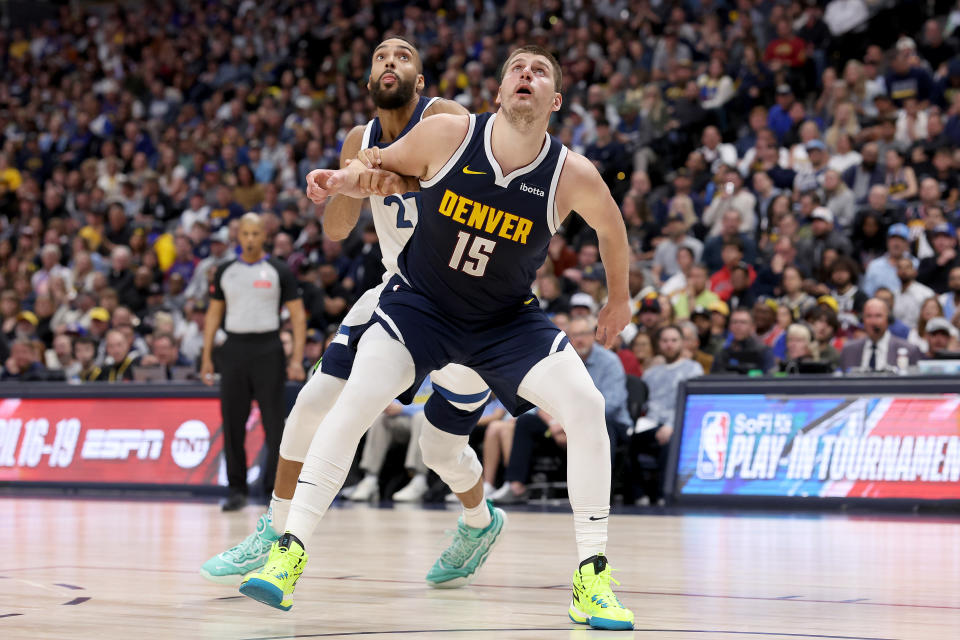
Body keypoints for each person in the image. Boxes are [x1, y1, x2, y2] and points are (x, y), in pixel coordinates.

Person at [243, 45, 635, 630]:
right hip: (421, 303)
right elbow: (380, 164)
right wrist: (339, 178)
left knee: (586, 405)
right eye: (515, 70)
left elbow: (612, 229)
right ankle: (288, 552)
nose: (525, 76)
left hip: (503, 320)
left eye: (540, 72)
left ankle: (592, 576)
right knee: (353, 402)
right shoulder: (451, 133)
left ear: (553, 101)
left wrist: (620, 298)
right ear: (499, 93)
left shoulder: (569, 173)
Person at [201, 39, 497, 586]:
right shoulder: (359, 139)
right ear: (368, 82)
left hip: (466, 300)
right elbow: (337, 229)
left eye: (404, 56)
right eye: (382, 57)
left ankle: (479, 522)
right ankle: (276, 530)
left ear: (421, 81)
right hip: (399, 292)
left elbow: (476, 193)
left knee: (441, 449)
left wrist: (394, 177)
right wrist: (348, 182)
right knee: (311, 404)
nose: (391, 62)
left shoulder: (450, 119)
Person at [200, 212, 307, 512]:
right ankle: (236, 489)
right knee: (232, 422)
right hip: (233, 348)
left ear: (264, 236)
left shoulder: (278, 270)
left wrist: (296, 358)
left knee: (274, 424)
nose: (249, 239)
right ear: (238, 236)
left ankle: (273, 489)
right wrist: (207, 356)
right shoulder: (225, 271)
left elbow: (298, 316)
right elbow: (213, 315)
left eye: (255, 234)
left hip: (268, 348)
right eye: (244, 234)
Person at [493, 315, 631, 505]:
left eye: (583, 334)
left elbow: (611, 404)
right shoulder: (558, 361)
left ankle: (597, 494)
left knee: (605, 426)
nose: (579, 339)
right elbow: (540, 400)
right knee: (526, 422)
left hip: (603, 422)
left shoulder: (610, 362)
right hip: (563, 424)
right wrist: (554, 422)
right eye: (573, 335)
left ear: (593, 335)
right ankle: (516, 486)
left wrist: (570, 425)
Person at [638, 325, 704, 497]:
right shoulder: (650, 374)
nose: (669, 345)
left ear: (682, 343)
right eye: (665, 341)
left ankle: (663, 496)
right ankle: (637, 496)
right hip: (650, 424)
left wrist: (671, 425)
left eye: (674, 340)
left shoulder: (693, 369)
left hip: (679, 425)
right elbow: (644, 405)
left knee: (670, 443)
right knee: (625, 439)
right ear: (659, 344)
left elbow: (693, 404)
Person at [839, 298, 922, 371]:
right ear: (862, 320)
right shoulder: (848, 350)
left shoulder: (909, 350)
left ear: (889, 319)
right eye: (868, 316)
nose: (873, 322)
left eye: (878, 316)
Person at [711, 309, 775, 374]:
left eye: (743, 322)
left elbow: (770, 378)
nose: (738, 326)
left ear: (752, 326)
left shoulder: (764, 352)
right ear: (729, 327)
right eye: (734, 322)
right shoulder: (722, 353)